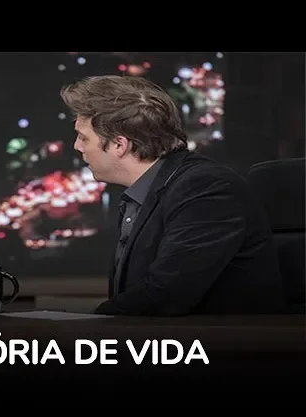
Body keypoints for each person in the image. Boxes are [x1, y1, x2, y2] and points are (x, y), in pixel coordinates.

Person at [60, 75, 285, 316]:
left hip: (211, 339)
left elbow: (165, 294)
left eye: (84, 137)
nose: (77, 146)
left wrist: (87, 326)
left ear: (119, 144)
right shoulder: (143, 194)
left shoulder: (206, 188)